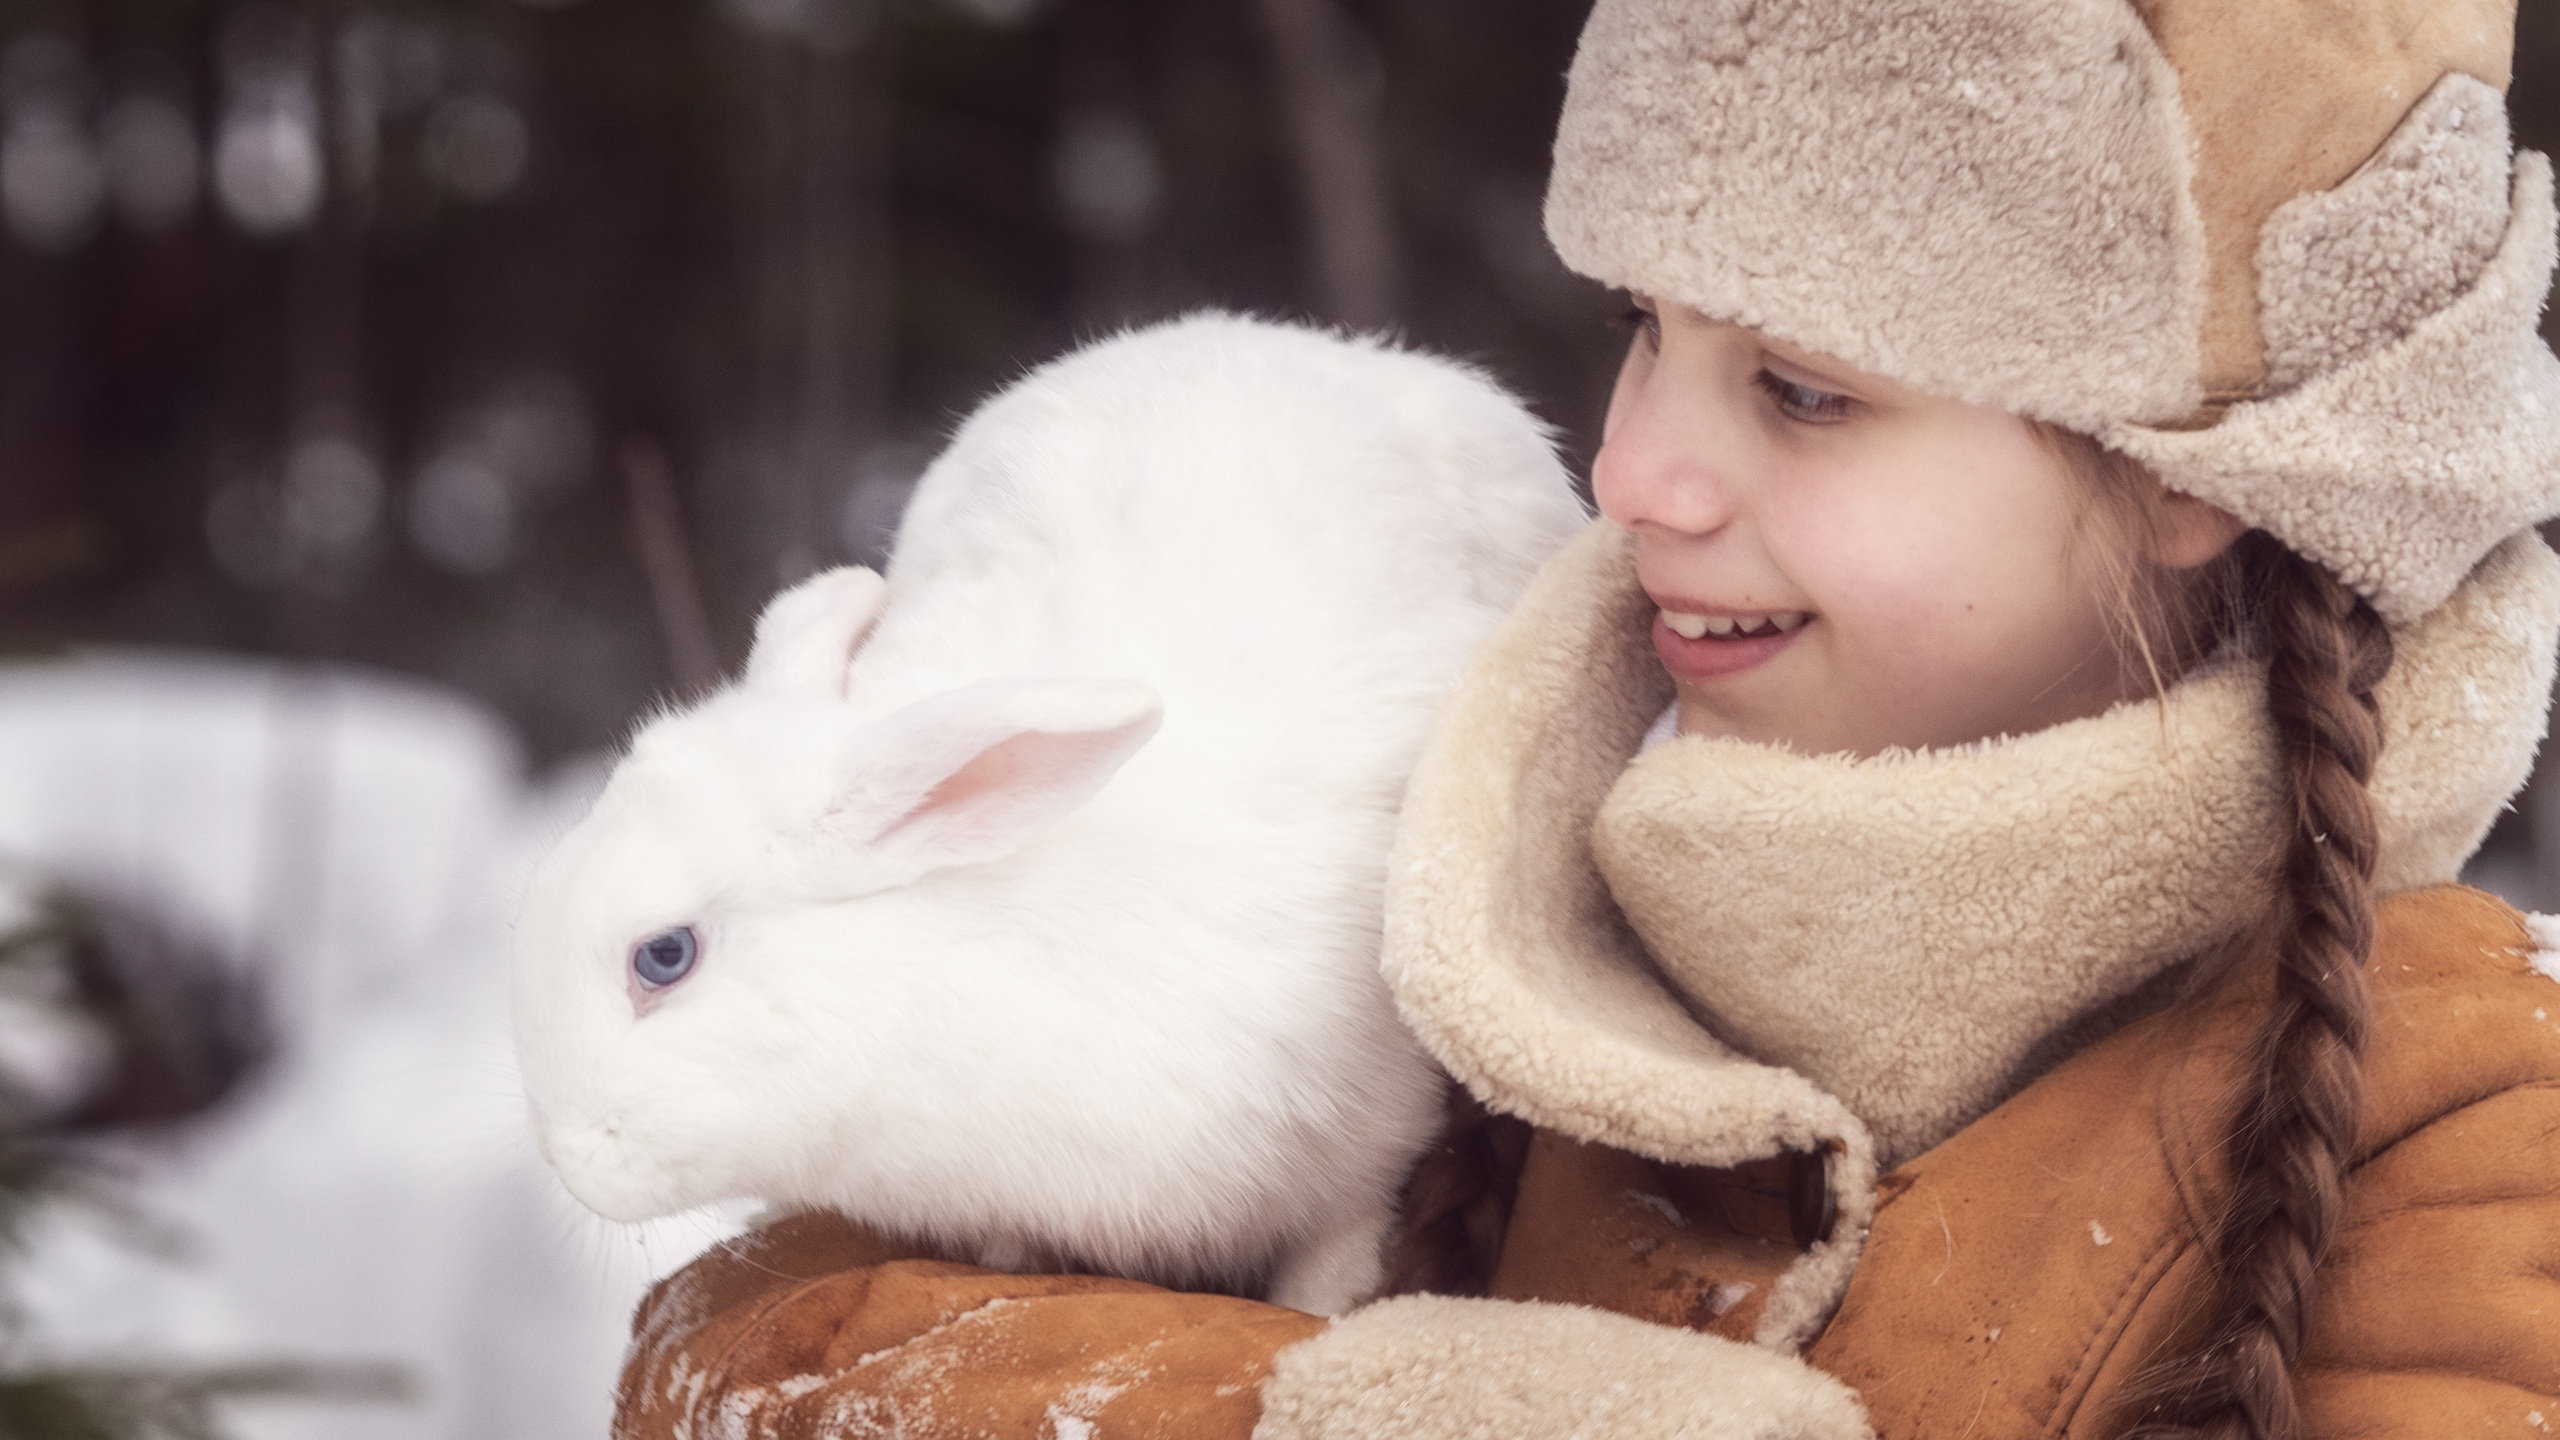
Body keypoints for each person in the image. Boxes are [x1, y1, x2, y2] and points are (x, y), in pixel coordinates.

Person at [611, 0, 2560, 1435]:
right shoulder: (1441, 911)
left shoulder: (2469, 1117)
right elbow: (754, 1350)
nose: (1630, 474)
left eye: (1795, 389)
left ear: (2189, 474)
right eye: (1642, 330)